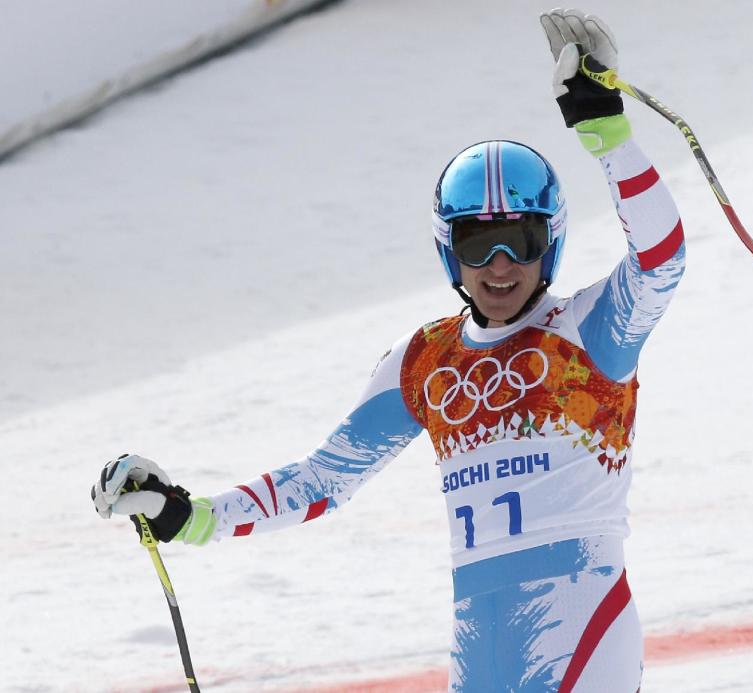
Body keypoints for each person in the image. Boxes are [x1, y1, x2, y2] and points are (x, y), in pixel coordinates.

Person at [91, 9, 685, 692]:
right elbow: (321, 481)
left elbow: (662, 258)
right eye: (473, 244)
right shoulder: (425, 362)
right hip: (479, 648)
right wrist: (188, 517)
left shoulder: (593, 330)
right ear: (446, 251)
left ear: (548, 242)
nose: (497, 266)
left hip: (585, 630)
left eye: (517, 241)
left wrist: (607, 135)